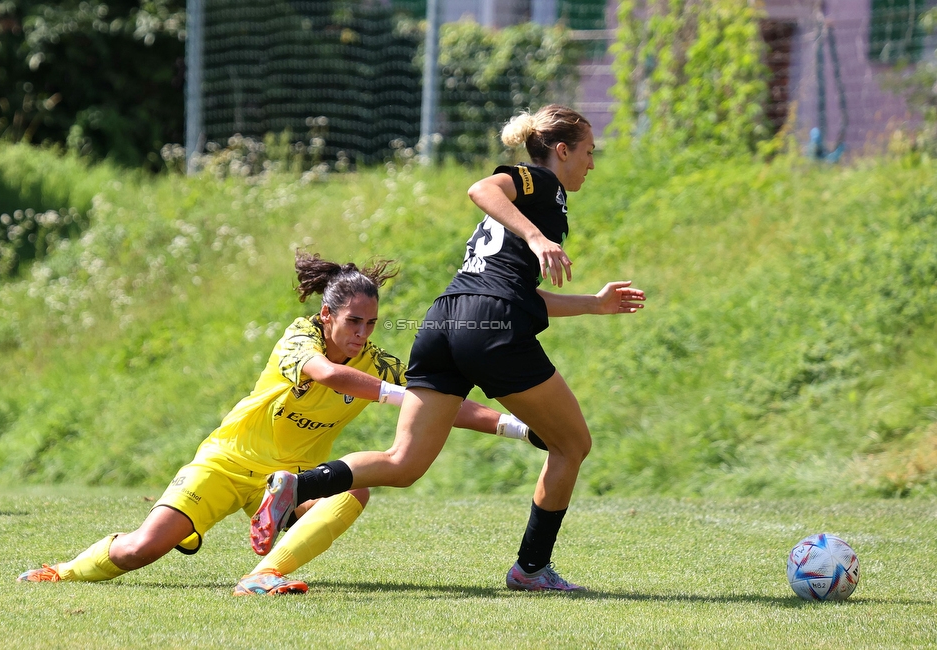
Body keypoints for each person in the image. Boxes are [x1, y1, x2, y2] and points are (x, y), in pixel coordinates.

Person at [249, 105, 646, 592]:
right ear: (561, 151)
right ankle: (531, 569)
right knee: (573, 445)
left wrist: (593, 304)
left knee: (403, 463)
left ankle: (298, 484)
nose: (591, 162)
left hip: (446, 319)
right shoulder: (543, 183)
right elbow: (481, 189)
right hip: (489, 325)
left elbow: (515, 291)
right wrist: (539, 236)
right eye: (588, 152)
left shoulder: (537, 204)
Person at [17, 251, 542, 595]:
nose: (362, 333)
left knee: (352, 493)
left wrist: (521, 428)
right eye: (353, 321)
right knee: (139, 551)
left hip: (289, 478)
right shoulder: (300, 337)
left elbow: (442, 404)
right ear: (326, 316)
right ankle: (61, 571)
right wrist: (394, 394)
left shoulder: (378, 361)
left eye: (371, 324)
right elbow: (329, 375)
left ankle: (264, 575)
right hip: (228, 463)